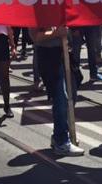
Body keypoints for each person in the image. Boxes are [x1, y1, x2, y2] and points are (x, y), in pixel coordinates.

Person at [29, 25, 84, 157]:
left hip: (64, 54)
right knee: (61, 97)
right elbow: (35, 36)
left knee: (72, 95)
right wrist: (56, 33)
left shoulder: (60, 11)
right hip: (48, 57)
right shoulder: (36, 10)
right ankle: (61, 140)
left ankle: (59, 134)